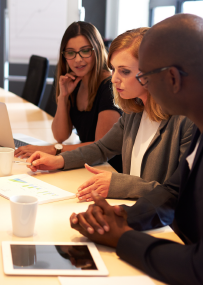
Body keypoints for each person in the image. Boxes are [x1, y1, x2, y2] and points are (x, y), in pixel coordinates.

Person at [68, 14, 203, 285]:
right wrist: (122, 217)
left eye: (145, 78)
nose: (142, 87)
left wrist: (124, 239)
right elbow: (175, 190)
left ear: (171, 78)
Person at [27, 28, 194, 200]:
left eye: (125, 71)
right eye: (113, 69)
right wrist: (60, 161)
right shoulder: (134, 111)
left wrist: (118, 185)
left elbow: (180, 193)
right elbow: (102, 148)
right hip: (132, 211)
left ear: (152, 71)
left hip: (161, 224)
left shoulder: (186, 121)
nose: (114, 79)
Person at [14, 22, 122, 171]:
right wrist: (63, 97)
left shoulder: (109, 87)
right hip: (85, 163)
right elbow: (60, 135)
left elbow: (101, 146)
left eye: (85, 51)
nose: (78, 59)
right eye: (71, 52)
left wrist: (54, 149)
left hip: (108, 168)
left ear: (97, 50)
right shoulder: (75, 82)